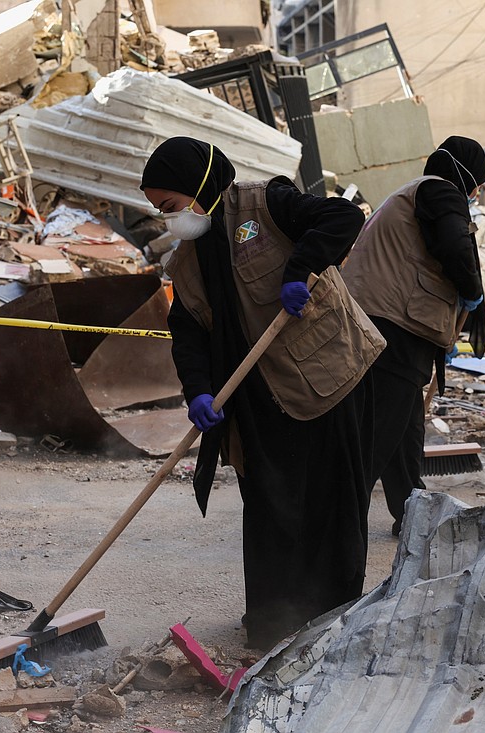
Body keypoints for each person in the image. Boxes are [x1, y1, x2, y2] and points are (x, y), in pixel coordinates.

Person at [141, 137, 385, 650]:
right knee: (271, 503)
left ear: (199, 186)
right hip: (257, 401)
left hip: (326, 376)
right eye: (161, 211)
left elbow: (343, 218)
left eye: (169, 205)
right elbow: (188, 335)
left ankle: (334, 615)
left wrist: (300, 270)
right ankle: (273, 620)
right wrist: (199, 393)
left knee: (332, 497)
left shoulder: (264, 204)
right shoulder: (184, 265)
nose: (168, 218)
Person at [342, 136, 485, 537]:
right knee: (379, 431)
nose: (476, 194)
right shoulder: (441, 191)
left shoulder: (415, 193)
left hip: (383, 320)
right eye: (477, 185)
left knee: (404, 426)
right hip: (394, 325)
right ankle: (338, 522)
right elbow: (454, 244)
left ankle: (410, 512)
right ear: (469, 178)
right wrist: (471, 288)